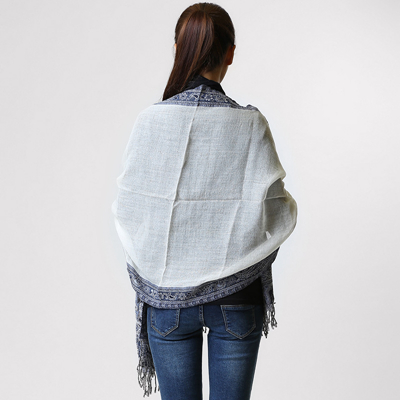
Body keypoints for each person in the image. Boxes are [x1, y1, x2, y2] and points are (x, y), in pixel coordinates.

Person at [111, 3, 297, 399]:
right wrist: (239, 252)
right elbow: (278, 210)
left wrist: (160, 274)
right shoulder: (251, 124)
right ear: (230, 53)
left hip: (167, 303)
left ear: (178, 49)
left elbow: (128, 207)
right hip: (238, 299)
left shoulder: (150, 122)